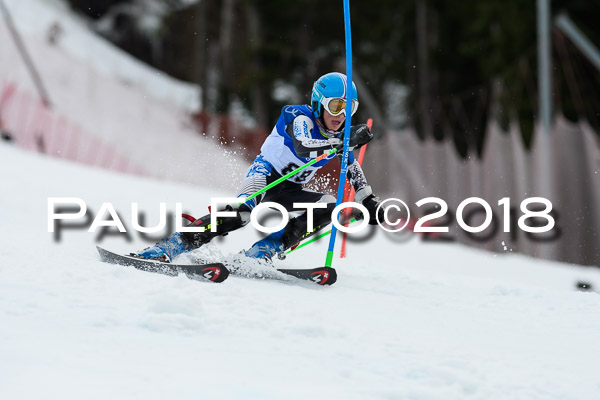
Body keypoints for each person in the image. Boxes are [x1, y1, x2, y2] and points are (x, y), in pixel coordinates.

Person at [135, 72, 384, 262]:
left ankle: (264, 251)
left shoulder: (339, 136)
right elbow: (303, 146)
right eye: (335, 106)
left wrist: (368, 200)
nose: (341, 116)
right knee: (240, 214)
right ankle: (170, 246)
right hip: (265, 176)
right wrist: (342, 141)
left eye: (348, 108)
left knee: (330, 204)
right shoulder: (297, 115)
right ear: (319, 102)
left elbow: (351, 167)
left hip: (291, 189)